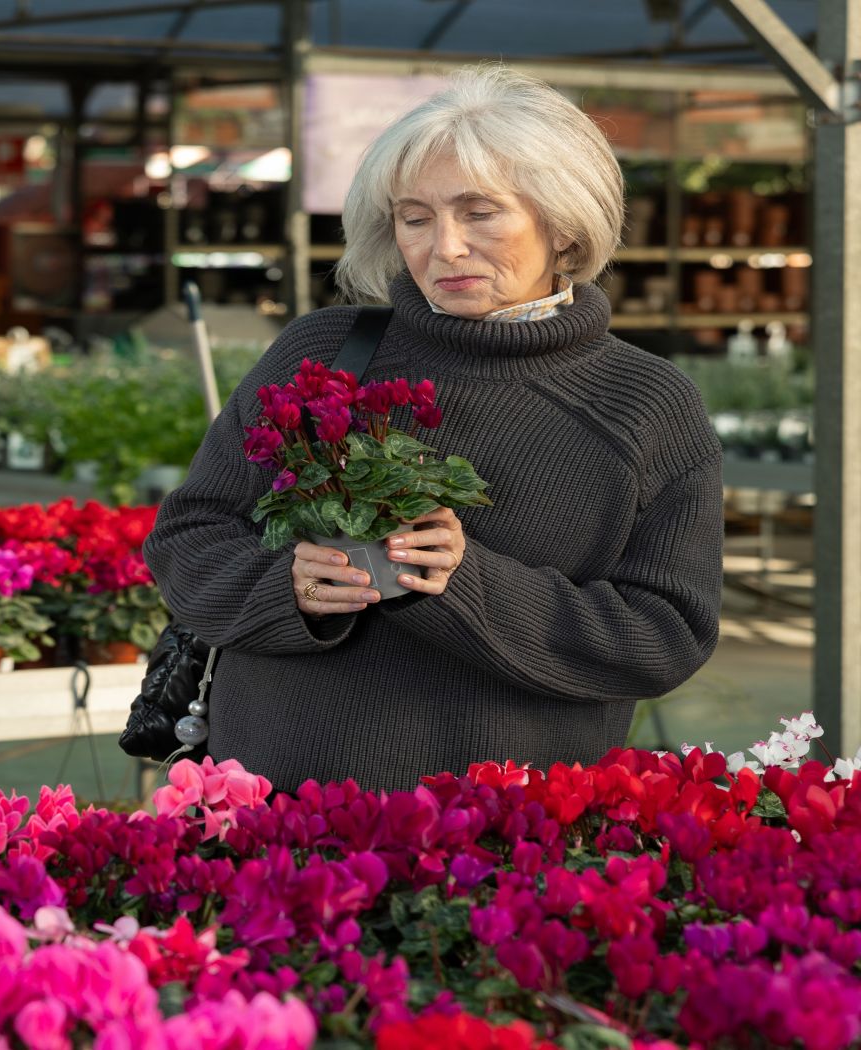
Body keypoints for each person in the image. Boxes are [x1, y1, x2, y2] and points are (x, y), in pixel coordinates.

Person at [142, 67, 722, 794]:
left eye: (480, 213)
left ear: (565, 223)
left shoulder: (645, 404)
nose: (445, 246)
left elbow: (665, 636)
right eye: (415, 218)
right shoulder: (325, 354)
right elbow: (188, 535)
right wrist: (287, 587)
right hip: (270, 807)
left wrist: (464, 581)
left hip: (500, 830)